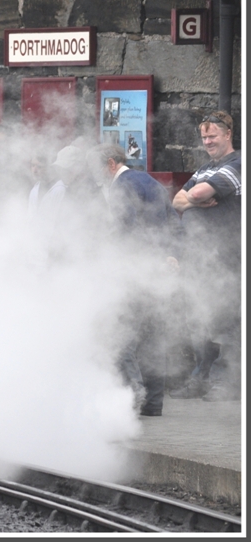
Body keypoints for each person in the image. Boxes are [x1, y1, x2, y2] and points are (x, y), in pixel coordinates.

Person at [89, 142, 181, 416]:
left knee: (123, 337)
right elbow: (174, 221)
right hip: (157, 272)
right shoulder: (150, 181)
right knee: (153, 339)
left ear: (110, 164)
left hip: (133, 272)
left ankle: (133, 396)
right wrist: (172, 255)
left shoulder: (121, 186)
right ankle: (153, 404)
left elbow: (123, 231)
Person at [169, 111, 241, 402]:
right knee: (199, 317)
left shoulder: (238, 163)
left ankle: (230, 380)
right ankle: (201, 376)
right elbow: (176, 199)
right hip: (197, 260)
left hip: (226, 258)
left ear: (228, 134)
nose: (208, 141)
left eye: (212, 136)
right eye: (204, 137)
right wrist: (190, 199)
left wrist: (192, 200)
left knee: (229, 319)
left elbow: (195, 194)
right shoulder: (204, 168)